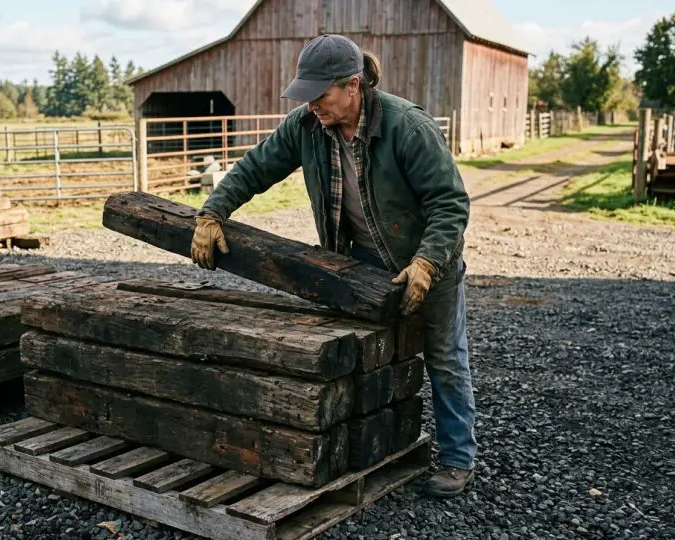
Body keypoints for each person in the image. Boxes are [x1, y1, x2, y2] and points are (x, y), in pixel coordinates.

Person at [189, 34, 477, 497]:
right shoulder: (305, 126)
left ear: (353, 86)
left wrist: (427, 262)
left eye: (320, 94)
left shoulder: (407, 127)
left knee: (444, 358)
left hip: (426, 262)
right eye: (306, 94)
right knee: (362, 351)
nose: (311, 105)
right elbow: (255, 167)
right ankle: (368, 447)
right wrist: (212, 212)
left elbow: (449, 203)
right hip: (358, 263)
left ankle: (458, 460)